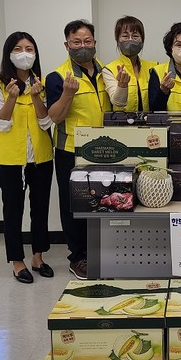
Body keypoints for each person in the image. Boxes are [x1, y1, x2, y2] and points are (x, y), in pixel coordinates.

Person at [0, 31, 54, 284]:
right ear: (8, 53)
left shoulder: (40, 83)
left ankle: (38, 257)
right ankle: (17, 261)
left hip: (41, 156)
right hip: (10, 159)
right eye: (18, 49)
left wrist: (35, 97)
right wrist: (11, 98)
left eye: (29, 49)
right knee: (13, 210)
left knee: (40, 208)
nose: (25, 54)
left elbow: (46, 121)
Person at [45, 19, 111, 280]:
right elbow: (54, 117)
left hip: (104, 150)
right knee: (74, 205)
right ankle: (78, 257)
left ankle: (101, 251)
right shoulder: (58, 76)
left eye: (87, 41)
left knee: (102, 200)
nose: (83, 46)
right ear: (67, 45)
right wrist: (68, 94)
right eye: (76, 42)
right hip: (71, 151)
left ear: (95, 43)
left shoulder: (107, 71)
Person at [101, 15, 157, 111]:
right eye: (125, 36)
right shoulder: (108, 70)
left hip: (148, 120)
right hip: (122, 120)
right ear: (117, 40)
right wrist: (122, 86)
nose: (130, 40)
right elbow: (118, 103)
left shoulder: (154, 67)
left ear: (142, 40)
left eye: (135, 36)